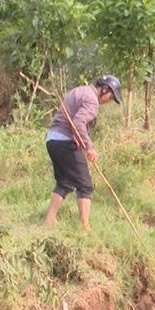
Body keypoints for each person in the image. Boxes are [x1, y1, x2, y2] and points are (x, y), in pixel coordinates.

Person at [44, 75, 122, 230]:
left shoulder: (81, 90)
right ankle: (84, 227)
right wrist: (89, 147)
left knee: (65, 182)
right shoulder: (92, 100)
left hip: (52, 140)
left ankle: (49, 220)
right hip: (64, 141)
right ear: (104, 89)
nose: (108, 101)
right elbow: (78, 123)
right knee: (85, 185)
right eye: (110, 97)